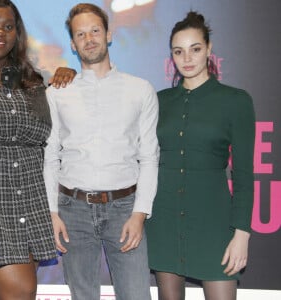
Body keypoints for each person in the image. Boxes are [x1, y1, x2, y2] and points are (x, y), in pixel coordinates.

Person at [44, 3, 159, 300]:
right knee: (83, 296)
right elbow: (50, 154)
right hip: (73, 210)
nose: (89, 38)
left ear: (109, 34)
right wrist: (52, 212)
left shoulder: (140, 89)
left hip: (125, 209)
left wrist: (139, 213)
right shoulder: (57, 91)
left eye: (95, 30)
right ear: (72, 43)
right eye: (81, 34)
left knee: (136, 295)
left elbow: (149, 156)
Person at [145, 11, 255, 300]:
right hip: (164, 222)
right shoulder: (158, 101)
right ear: (172, 56)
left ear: (209, 49)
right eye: (178, 52)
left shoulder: (235, 101)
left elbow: (244, 174)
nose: (187, 58)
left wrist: (242, 234)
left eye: (195, 49)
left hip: (214, 224)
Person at [0, 0, 57, 299]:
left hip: (29, 205)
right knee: (21, 292)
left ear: (17, 34)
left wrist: (70, 78)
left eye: (8, 26)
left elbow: (48, 137)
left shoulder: (33, 83)